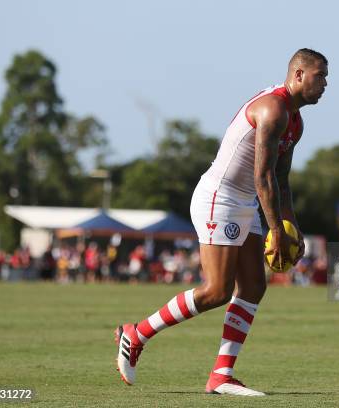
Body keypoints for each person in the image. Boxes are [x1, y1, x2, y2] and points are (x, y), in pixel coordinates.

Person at [115, 48, 328, 396]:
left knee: (254, 287)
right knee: (216, 291)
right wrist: (277, 231)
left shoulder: (296, 121)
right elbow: (263, 177)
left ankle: (221, 375)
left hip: (244, 201)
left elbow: (283, 180)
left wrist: (292, 225)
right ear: (299, 74)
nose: (325, 84)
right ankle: (136, 334)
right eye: (320, 76)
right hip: (220, 197)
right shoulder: (273, 109)